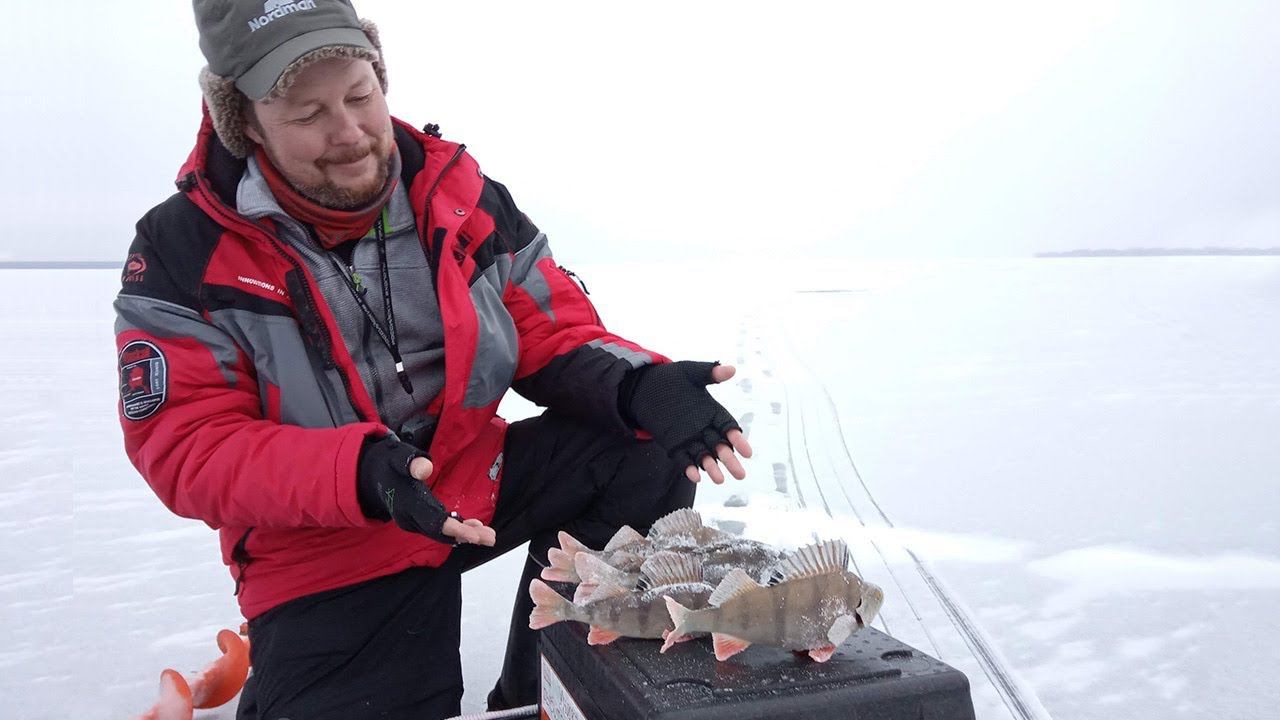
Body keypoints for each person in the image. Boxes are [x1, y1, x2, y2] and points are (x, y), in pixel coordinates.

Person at [114, 1, 752, 718]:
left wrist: (639, 385)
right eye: (306, 113)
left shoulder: (456, 195)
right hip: (330, 544)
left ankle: (551, 688)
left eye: (362, 95)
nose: (350, 132)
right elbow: (188, 447)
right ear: (245, 119)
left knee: (641, 443)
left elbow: (547, 322)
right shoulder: (183, 251)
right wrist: (358, 474)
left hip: (467, 484)